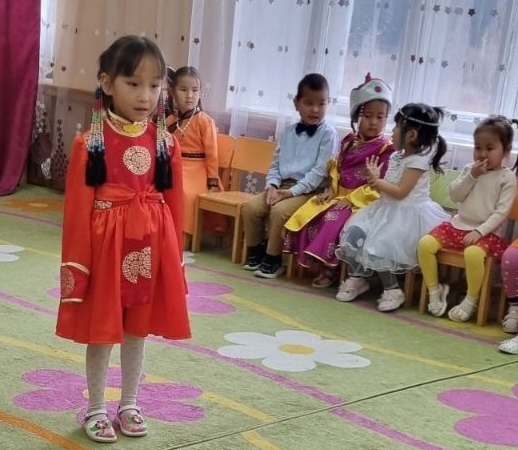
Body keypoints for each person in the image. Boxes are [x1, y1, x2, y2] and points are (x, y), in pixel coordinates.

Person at [56, 35, 191, 444]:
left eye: (154, 85)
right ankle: (96, 407)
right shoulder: (89, 143)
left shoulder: (166, 142)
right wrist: (78, 267)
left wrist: (174, 262)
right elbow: (76, 213)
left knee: (138, 329)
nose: (145, 95)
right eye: (133, 83)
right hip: (105, 253)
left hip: (150, 249)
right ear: (107, 82)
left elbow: (175, 206)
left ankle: (129, 402)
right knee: (102, 331)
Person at [335, 104, 449, 312]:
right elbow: (387, 191)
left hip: (407, 217)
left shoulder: (418, 161)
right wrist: (376, 181)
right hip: (384, 210)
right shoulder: (397, 155)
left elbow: (401, 192)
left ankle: (393, 289)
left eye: (396, 126)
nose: (392, 131)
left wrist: (377, 182)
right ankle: (357, 277)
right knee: (353, 232)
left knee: (380, 244)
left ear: (411, 135)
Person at [284, 74, 394, 287]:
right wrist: (331, 190)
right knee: (310, 211)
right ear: (356, 117)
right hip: (339, 197)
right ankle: (312, 262)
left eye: (380, 117)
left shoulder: (386, 149)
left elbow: (379, 186)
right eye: (368, 116)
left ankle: (330, 269)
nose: (373, 122)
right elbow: (337, 170)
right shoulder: (348, 141)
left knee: (332, 219)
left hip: (364, 202)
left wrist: (352, 199)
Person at [418, 116, 517, 322]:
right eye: (478, 147)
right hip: (457, 226)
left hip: (487, 233)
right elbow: (455, 196)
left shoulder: (507, 178)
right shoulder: (469, 169)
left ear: (506, 151)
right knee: (425, 244)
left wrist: (479, 231)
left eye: (490, 148)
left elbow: (501, 213)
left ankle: (471, 300)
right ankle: (435, 290)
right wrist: (472, 176)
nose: (482, 154)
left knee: (473, 254)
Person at [242, 73, 338, 279]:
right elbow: (276, 164)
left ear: (328, 103)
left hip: (309, 191)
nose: (315, 109)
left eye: (321, 104)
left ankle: (273, 259)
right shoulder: (288, 132)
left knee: (278, 212)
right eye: (309, 103)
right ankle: (256, 252)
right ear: (296, 103)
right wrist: (272, 185)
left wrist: (291, 192)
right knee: (250, 208)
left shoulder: (328, 134)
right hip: (282, 186)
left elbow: (319, 172)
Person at [166, 65, 223, 239]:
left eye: (195, 90)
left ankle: (185, 235)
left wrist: (213, 181)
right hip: (175, 166)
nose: (189, 95)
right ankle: (166, 231)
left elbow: (212, 155)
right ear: (172, 92)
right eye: (183, 90)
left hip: (198, 171)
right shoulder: (169, 121)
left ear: (200, 93)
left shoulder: (205, 121)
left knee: (183, 191)